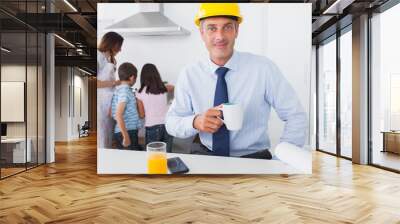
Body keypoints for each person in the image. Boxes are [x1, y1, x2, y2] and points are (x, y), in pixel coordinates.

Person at [165, 3, 307, 159]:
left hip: (255, 158)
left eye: (227, 27)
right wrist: (195, 122)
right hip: (206, 156)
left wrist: (282, 158)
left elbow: (295, 115)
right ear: (202, 33)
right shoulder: (189, 74)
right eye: (212, 28)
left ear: (236, 31)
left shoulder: (263, 68)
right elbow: (172, 122)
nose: (220, 36)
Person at [136, 63, 174, 152]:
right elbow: (172, 87)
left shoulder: (140, 93)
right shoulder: (164, 88)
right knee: (167, 155)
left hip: (152, 126)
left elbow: (141, 115)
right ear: (157, 74)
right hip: (168, 125)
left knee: (152, 156)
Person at [97, 32, 123, 148]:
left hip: (108, 102)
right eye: (119, 46)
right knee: (103, 135)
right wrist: (115, 83)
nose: (120, 50)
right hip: (102, 103)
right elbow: (96, 83)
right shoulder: (98, 57)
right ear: (112, 44)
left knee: (108, 134)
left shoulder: (109, 59)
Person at [111, 62, 143, 151]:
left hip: (126, 131)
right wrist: (126, 136)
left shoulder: (119, 91)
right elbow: (118, 114)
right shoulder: (125, 91)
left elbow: (111, 113)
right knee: (132, 161)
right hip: (127, 132)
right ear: (132, 77)